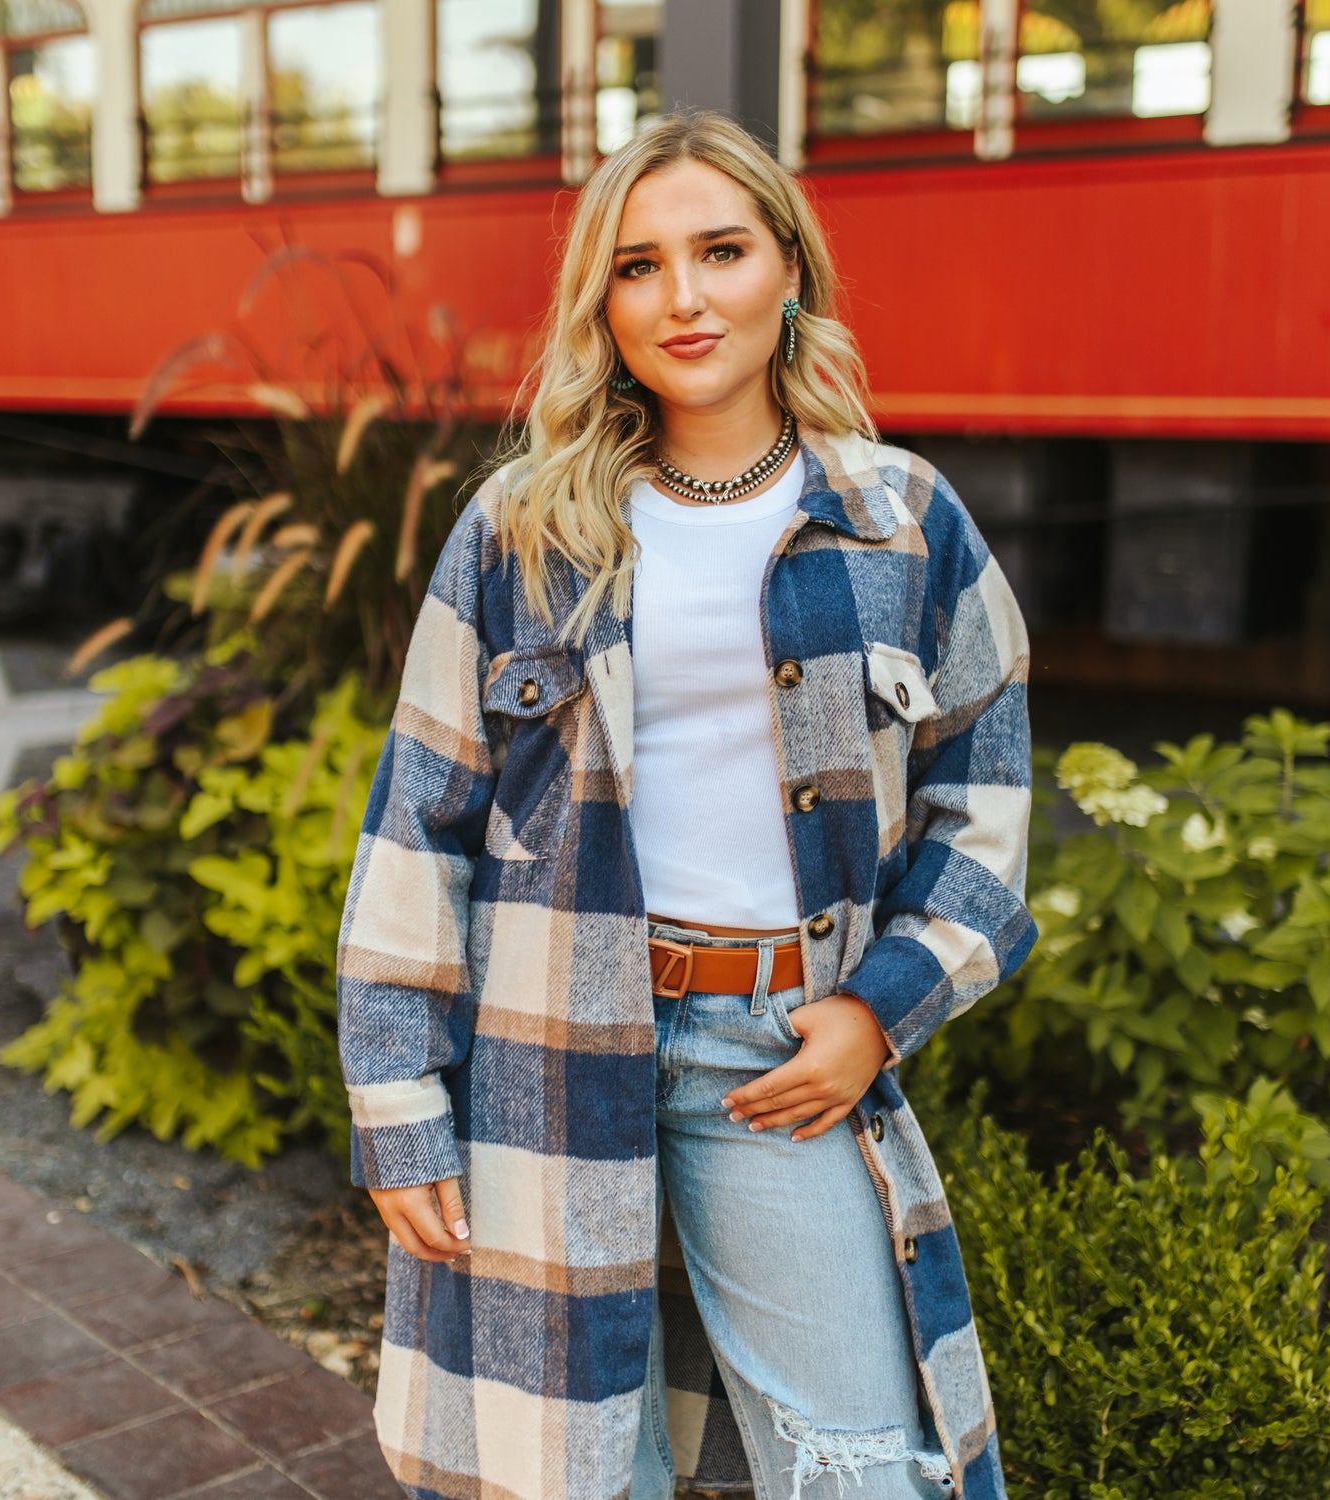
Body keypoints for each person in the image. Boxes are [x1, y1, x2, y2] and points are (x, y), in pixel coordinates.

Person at [336, 110, 1037, 1500]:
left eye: (720, 251)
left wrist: (876, 1008)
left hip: (772, 1059)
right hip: (544, 1051)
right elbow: (417, 824)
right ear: (603, 299)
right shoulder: (524, 530)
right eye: (640, 265)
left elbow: (988, 814)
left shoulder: (903, 522)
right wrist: (398, 1102)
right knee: (574, 1471)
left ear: (789, 270)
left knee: (862, 1473)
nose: (684, 297)